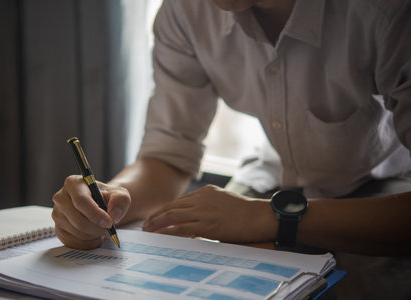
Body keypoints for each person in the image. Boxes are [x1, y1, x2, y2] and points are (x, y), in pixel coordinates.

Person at [52, 0, 411, 298]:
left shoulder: (388, 13)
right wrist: (110, 198)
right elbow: (168, 154)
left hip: (386, 190)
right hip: (270, 180)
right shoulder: (187, 11)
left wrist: (265, 217)